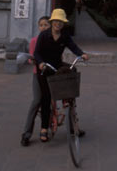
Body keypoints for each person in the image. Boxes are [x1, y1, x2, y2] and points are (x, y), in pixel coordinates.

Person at [33, 8, 89, 143]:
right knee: (45, 98)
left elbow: (73, 46)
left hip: (57, 64)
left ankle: (73, 124)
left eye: (61, 21)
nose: (58, 24)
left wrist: (81, 54)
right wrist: (40, 63)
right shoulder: (44, 35)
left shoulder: (64, 35)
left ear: (63, 23)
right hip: (45, 67)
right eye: (56, 21)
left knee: (72, 70)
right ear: (52, 22)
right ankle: (44, 128)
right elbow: (37, 53)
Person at [20, 16, 50, 146]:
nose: (43, 27)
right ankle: (26, 133)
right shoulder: (34, 41)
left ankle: (72, 128)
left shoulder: (53, 41)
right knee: (37, 101)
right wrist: (33, 61)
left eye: (46, 25)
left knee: (53, 100)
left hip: (51, 75)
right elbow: (31, 58)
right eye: (41, 25)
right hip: (37, 75)